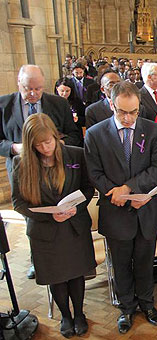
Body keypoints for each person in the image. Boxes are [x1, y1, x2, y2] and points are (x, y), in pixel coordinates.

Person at [84, 81, 157, 334]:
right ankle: (127, 308)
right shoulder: (95, 134)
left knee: (144, 261)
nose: (129, 118)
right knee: (120, 265)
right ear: (111, 105)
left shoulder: (153, 130)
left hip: (145, 210)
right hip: (115, 210)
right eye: (122, 112)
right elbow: (94, 173)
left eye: (134, 112)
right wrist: (115, 192)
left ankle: (147, 304)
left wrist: (128, 188)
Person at [11, 113, 95, 338]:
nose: (45, 147)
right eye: (39, 144)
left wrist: (75, 208)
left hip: (74, 226)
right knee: (56, 276)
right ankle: (65, 315)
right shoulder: (21, 163)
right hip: (45, 232)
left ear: (55, 136)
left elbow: (88, 189)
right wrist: (49, 216)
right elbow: (18, 202)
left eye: (48, 141)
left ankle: (79, 313)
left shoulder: (75, 154)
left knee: (76, 273)